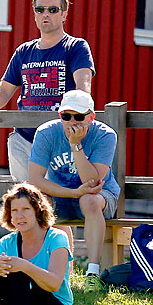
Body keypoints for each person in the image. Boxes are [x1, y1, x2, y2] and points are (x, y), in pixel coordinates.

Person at [0, 0, 94, 182]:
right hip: (23, 138)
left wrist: (78, 120)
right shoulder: (24, 51)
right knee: (26, 199)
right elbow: (4, 89)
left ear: (64, 14)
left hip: (60, 139)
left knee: (57, 203)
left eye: (53, 10)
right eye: (40, 10)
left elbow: (83, 86)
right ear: (34, 15)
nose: (46, 14)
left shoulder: (76, 47)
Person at [26, 90, 120, 279]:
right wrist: (74, 193)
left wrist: (75, 146)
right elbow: (35, 180)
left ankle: (92, 272)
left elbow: (92, 182)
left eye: (78, 116)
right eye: (66, 116)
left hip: (100, 196)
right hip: (63, 194)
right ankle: (43, 272)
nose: (72, 122)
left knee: (89, 201)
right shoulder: (46, 133)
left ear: (91, 117)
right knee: (38, 202)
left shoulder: (105, 135)